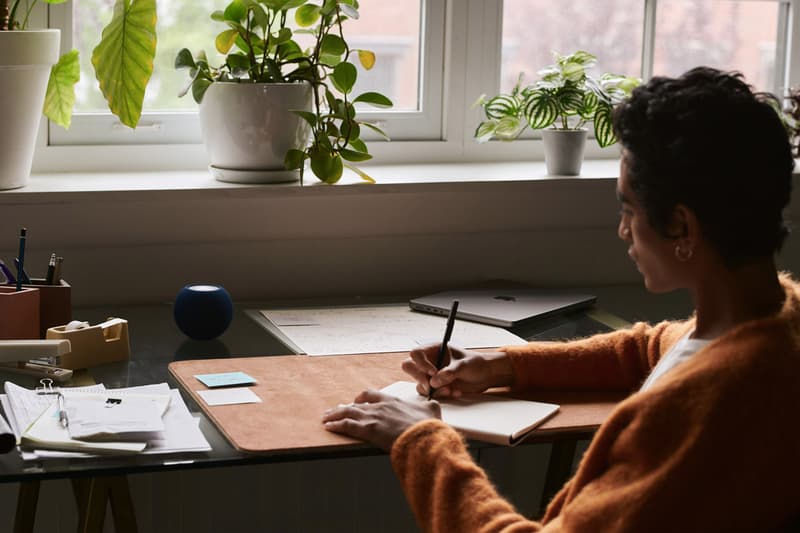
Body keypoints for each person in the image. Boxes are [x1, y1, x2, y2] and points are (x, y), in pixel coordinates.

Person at [322, 67, 800, 532]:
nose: (622, 231)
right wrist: (501, 366)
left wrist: (420, 440)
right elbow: (653, 349)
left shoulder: (701, 413)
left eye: (628, 210)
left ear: (681, 227)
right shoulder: (773, 317)